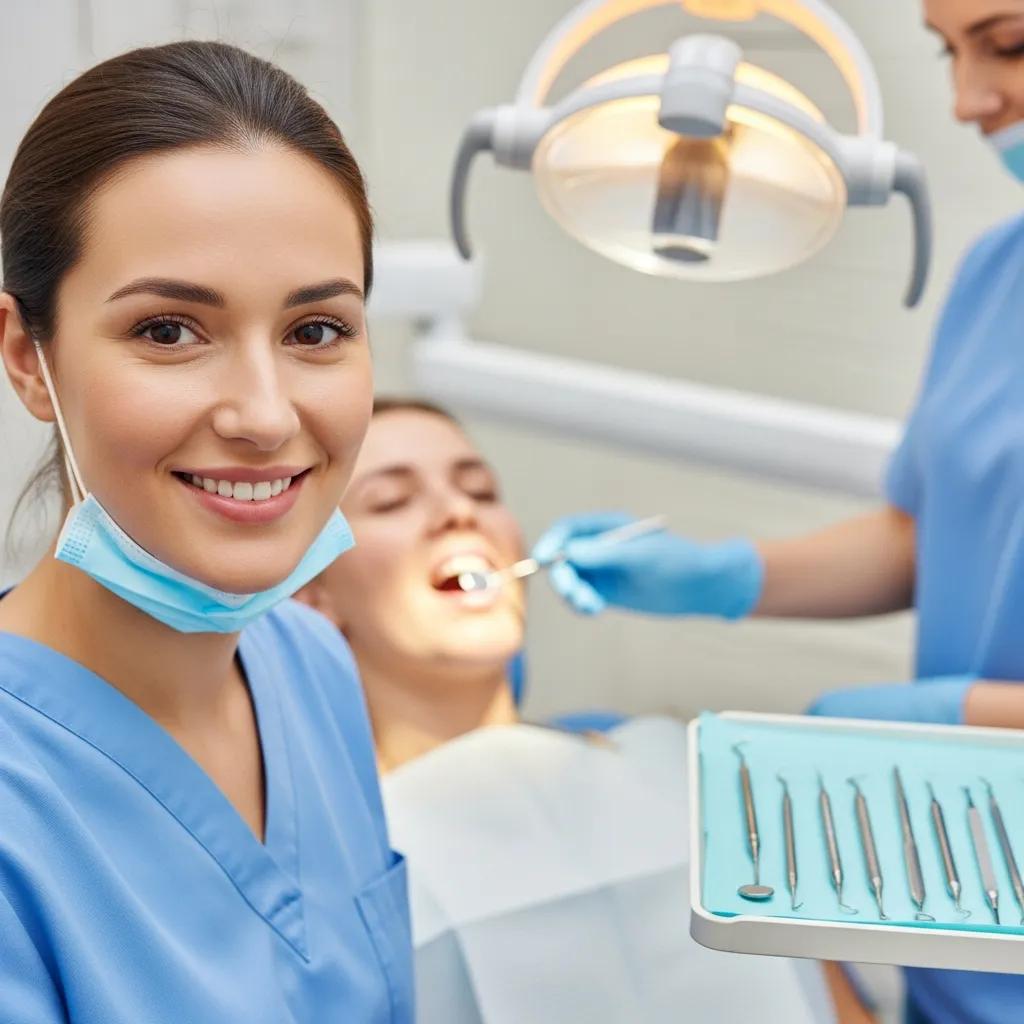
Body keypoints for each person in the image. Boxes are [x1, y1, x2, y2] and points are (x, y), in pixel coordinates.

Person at [532, 2, 1024, 1021]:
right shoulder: (996, 275)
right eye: (947, 52)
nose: (967, 101)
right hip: (955, 924)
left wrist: (957, 723)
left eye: (1008, 45)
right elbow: (933, 533)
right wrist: (716, 576)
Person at [0, 42, 412, 1022]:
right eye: (169, 331)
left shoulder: (313, 664)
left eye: (315, 331)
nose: (264, 416)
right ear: (26, 356)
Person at [298, 398, 857, 1024]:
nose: (459, 513)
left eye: (480, 491)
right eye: (391, 501)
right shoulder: (332, 866)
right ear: (312, 596)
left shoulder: (684, 767)